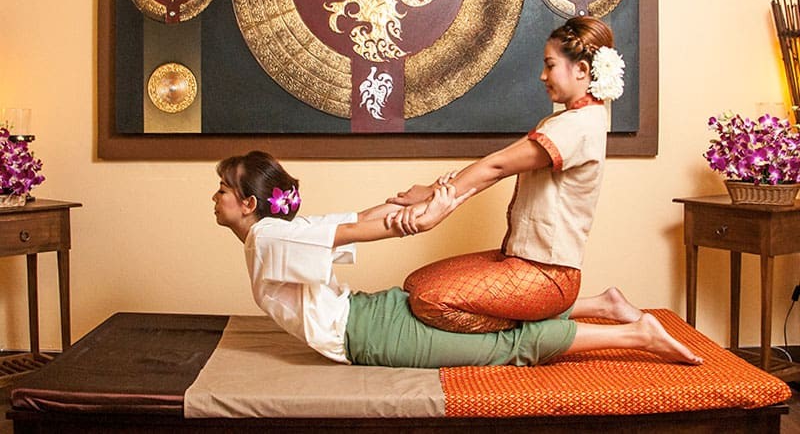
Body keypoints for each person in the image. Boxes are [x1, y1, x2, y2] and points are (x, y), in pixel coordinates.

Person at [213, 150, 702, 368]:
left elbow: (361, 226)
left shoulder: (267, 238)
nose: (215, 197)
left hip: (368, 332)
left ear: (249, 203)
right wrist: (425, 203)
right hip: (371, 316)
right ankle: (602, 305)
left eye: (222, 189)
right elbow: (361, 218)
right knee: (487, 320)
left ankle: (637, 335)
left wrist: (427, 213)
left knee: (505, 348)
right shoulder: (278, 234)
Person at [386, 16, 626, 333]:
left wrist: (435, 203)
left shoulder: (577, 126)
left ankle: (537, 330)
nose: (542, 75)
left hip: (547, 274)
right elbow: (498, 163)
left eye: (550, 65)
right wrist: (433, 190)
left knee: (428, 300)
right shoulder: (566, 121)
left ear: (581, 69)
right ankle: (599, 304)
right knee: (416, 283)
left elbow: (496, 167)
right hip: (519, 259)